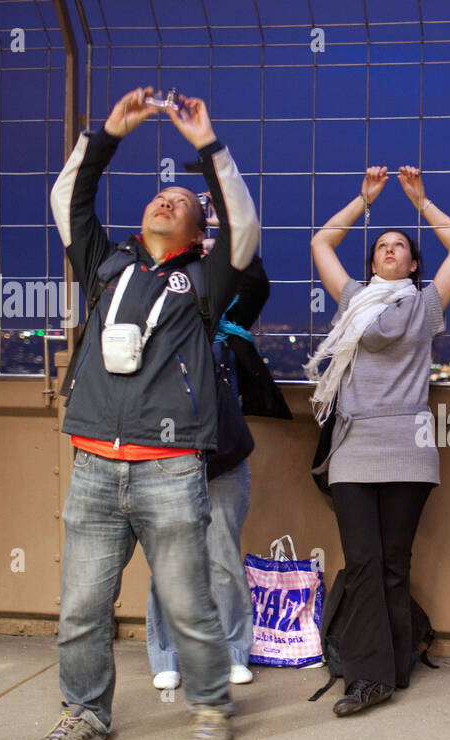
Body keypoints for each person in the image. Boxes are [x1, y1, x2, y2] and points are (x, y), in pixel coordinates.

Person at [37, 86, 260, 740]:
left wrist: (208, 146)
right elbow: (67, 201)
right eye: (158, 196)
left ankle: (211, 707)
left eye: (182, 202)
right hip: (95, 464)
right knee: (80, 607)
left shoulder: (209, 279)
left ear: (199, 230)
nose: (167, 199)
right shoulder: (107, 264)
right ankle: (84, 713)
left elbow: (243, 226)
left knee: (188, 603)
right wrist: (106, 134)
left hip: (170, 467)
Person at [306, 165, 450, 716]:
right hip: (354, 446)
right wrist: (364, 200)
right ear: (372, 261)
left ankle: (393, 667)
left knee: (395, 561)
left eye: (401, 246)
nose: (390, 250)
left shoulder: (425, 307)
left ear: (414, 262)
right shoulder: (353, 300)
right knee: (364, 560)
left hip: (410, 447)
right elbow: (321, 241)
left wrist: (420, 202)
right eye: (382, 246)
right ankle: (371, 676)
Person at [146, 195, 277, 691]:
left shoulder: (225, 311)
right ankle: (166, 657)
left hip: (220, 453)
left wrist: (222, 223)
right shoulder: (158, 293)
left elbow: (255, 283)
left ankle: (232, 649)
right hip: (164, 451)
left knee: (222, 556)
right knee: (167, 562)